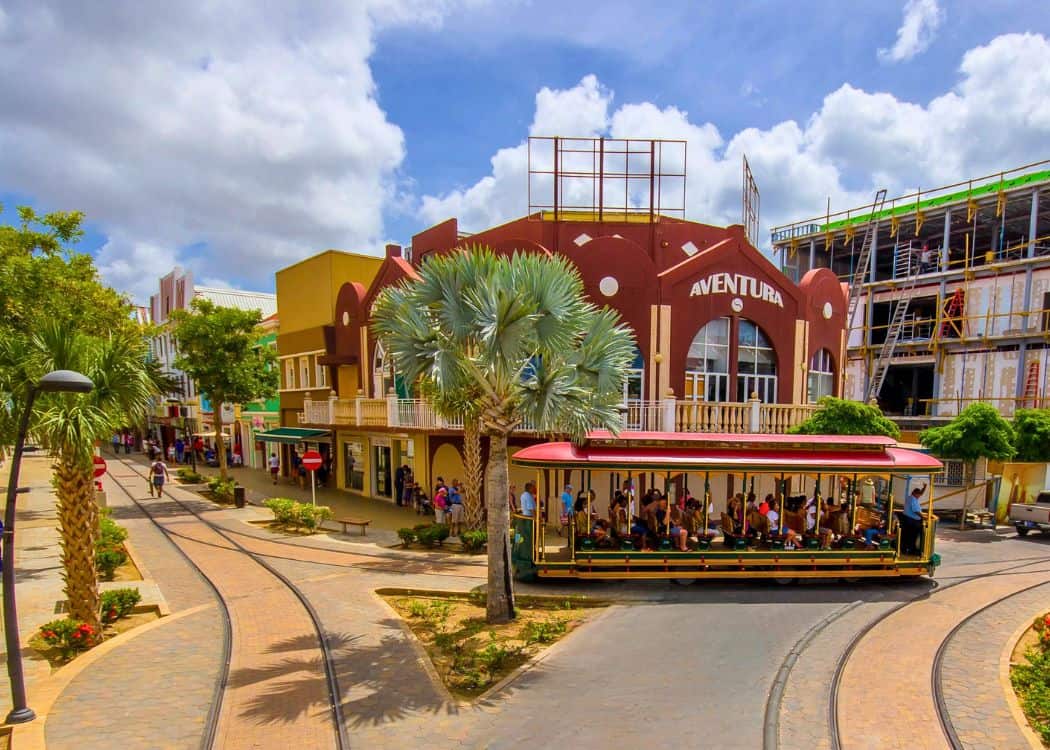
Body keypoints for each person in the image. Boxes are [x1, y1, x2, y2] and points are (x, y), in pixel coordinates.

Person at [898, 483, 927, 555]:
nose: (919, 496)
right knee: (912, 536)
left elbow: (921, 493)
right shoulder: (913, 500)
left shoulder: (910, 497)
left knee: (907, 536)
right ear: (915, 493)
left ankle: (906, 549)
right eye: (918, 495)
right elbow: (916, 511)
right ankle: (911, 550)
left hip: (907, 519)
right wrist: (923, 517)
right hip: (911, 521)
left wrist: (924, 487)